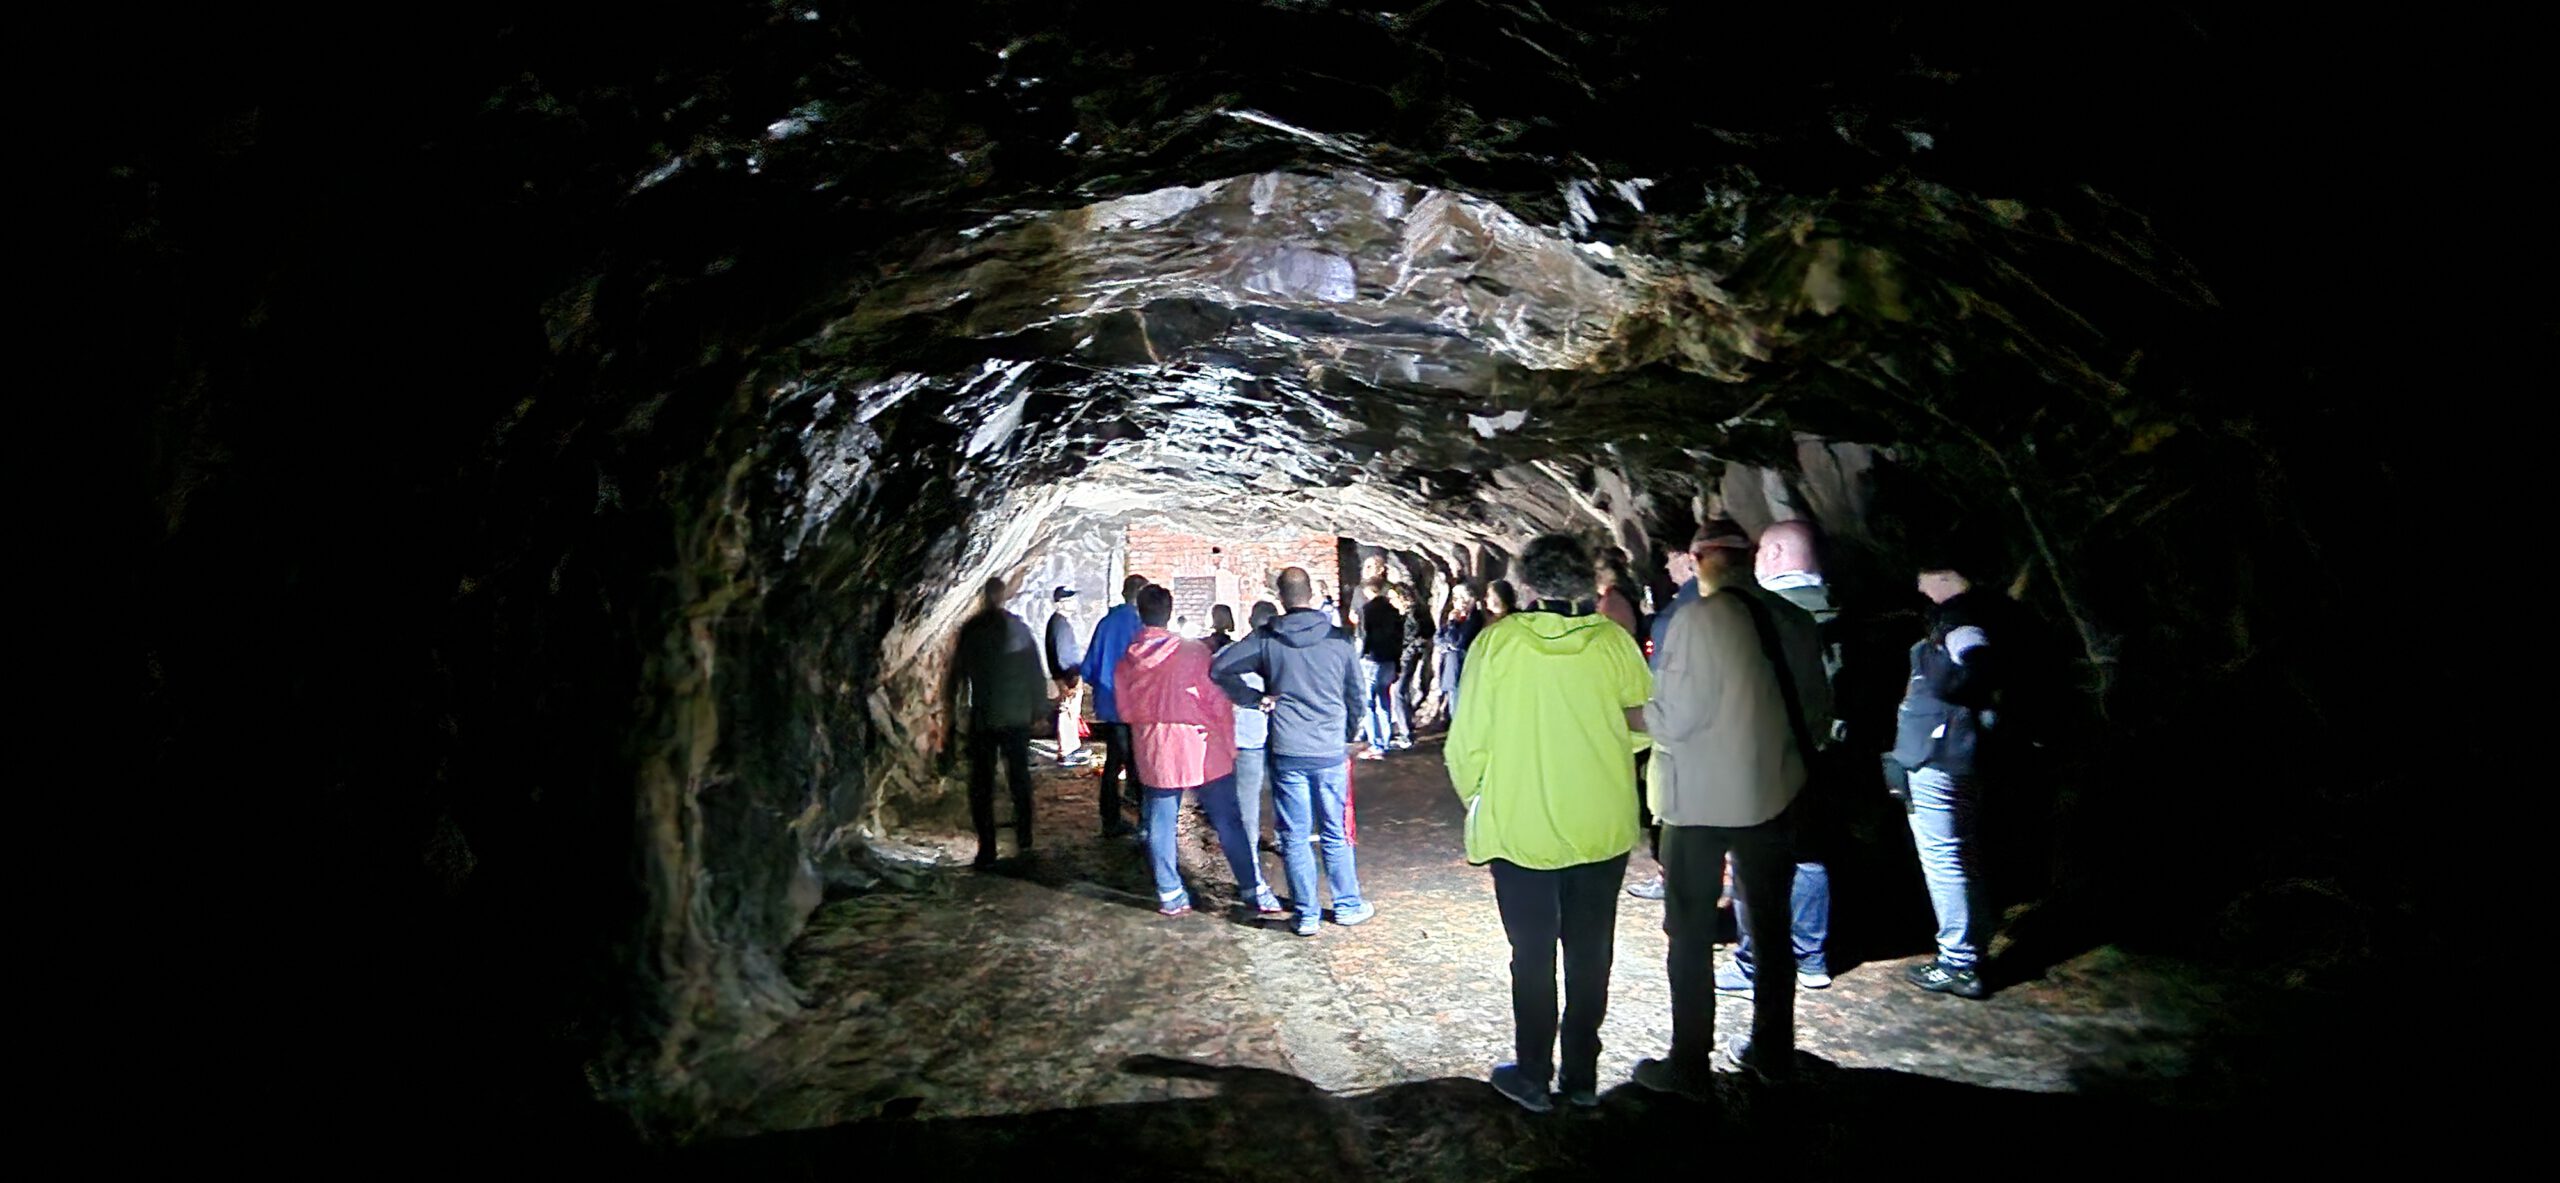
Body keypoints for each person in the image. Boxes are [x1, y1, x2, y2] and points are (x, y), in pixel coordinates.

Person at [1445, 534, 1653, 1112]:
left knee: (1532, 955)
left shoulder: (1498, 645)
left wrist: (1482, 798)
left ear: (1528, 586)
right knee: (1592, 952)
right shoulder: (1614, 643)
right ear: (1587, 585)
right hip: (1601, 825)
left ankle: (1533, 1072)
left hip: (1523, 828)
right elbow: (1639, 726)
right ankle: (1582, 1076)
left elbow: (1467, 746)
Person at [1633, 517, 1826, 1091]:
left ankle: (1689, 1060)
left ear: (1699, 559)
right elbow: (1816, 711)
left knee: (1690, 933)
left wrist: (1621, 720)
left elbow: (1673, 721)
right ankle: (1772, 1049)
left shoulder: (1696, 619)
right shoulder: (1794, 619)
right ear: (1749, 560)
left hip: (1698, 804)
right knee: (1769, 930)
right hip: (1772, 796)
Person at [1211, 566, 1374, 937]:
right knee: (1335, 830)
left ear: (1281, 598)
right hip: (1329, 748)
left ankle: (1306, 916)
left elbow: (1220, 667)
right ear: (1311, 595)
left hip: (1288, 749)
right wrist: (1345, 734)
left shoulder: (1268, 638)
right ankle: (1347, 905)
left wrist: (1255, 699)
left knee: (1295, 835)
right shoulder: (1339, 640)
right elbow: (1355, 696)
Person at [1723, 519, 1845, 995]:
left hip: (1765, 757)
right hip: (1824, 754)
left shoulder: (1766, 613)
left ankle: (1757, 963)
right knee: (1811, 856)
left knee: (1756, 861)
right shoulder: (1843, 610)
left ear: (1773, 554)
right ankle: (1811, 958)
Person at [1116, 586, 1269, 917]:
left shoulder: (1128, 657)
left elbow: (1124, 710)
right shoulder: (1194, 653)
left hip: (1155, 748)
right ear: (1170, 612)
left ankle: (1170, 893)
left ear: (1140, 613)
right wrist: (1229, 745)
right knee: (1228, 820)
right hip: (1202, 747)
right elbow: (1217, 703)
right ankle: (1253, 889)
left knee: (1160, 821)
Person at [1891, 555, 2001, 1000]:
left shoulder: (1960, 625)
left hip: (1939, 758)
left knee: (1945, 860)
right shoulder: (1965, 620)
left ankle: (1958, 961)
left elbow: (1977, 664)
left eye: (1925, 582)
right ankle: (1971, 949)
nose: (1920, 591)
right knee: (1961, 856)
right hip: (1953, 754)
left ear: (1946, 579)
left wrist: (1946, 673)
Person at [946, 578, 1050, 868]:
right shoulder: (1017, 629)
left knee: (982, 784)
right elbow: (1034, 671)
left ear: (984, 596)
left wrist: (952, 715)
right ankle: (1025, 837)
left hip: (985, 718)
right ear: (1002, 596)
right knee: (1018, 778)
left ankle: (987, 847)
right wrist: (1039, 710)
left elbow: (956, 674)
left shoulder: (973, 630)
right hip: (1013, 718)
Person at [1081, 574, 1151, 838]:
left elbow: (1088, 669)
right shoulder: (1141, 626)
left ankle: (1109, 818)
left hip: (1110, 706)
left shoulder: (1106, 624)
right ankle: (1143, 818)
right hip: (1135, 706)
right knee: (1138, 760)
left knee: (1113, 761)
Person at [1230, 602, 1287, 882]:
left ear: (1250, 620)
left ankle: (1250, 859)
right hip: (1282, 735)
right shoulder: (1287, 654)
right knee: (1283, 793)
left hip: (1247, 736)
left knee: (1247, 803)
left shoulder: (1233, 654)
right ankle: (1283, 839)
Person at [1358, 579, 1411, 755]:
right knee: (1384, 700)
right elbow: (1399, 637)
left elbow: (1365, 635)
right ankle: (1386, 739)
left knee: (1368, 703)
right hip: (1389, 659)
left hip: (1371, 659)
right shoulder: (1394, 611)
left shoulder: (1367, 609)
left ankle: (1376, 743)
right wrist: (1396, 661)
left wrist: (1360, 655)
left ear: (1367, 592)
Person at [1044, 586, 1089, 767]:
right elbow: (1063, 655)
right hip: (1067, 676)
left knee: (1070, 712)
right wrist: (1071, 680)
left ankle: (1072, 747)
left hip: (1066, 675)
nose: (1074, 602)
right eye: (1071, 599)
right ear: (1061, 603)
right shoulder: (1060, 624)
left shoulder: (1058, 623)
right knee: (1067, 711)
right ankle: (1067, 752)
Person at [1433, 583, 1483, 720]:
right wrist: (1448, 645)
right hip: (1451, 669)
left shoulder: (1474, 619)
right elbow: (1438, 638)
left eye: (1458, 598)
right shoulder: (1458, 617)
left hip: (1462, 670)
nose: (1455, 602)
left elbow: (1457, 642)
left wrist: (1452, 624)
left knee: (1459, 713)